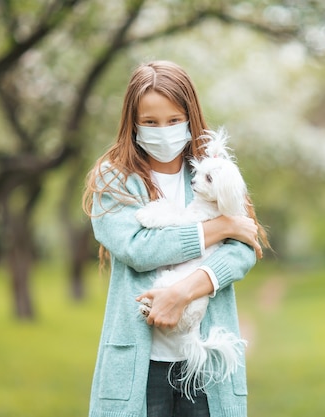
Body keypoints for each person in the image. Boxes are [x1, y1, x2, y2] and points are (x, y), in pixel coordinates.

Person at [82, 60, 267, 417]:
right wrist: (221, 227)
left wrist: (185, 291)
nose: (163, 131)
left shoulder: (212, 170)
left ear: (189, 117)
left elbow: (243, 249)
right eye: (150, 122)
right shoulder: (114, 180)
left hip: (205, 361)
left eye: (172, 120)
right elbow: (136, 248)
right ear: (133, 124)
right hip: (142, 364)